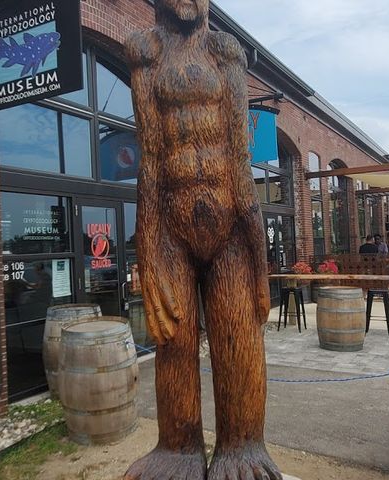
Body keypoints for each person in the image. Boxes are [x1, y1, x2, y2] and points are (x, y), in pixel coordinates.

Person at [125, 1, 280, 478]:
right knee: (173, 340)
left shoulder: (224, 50)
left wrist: (258, 263)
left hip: (230, 225)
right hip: (169, 227)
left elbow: (239, 156)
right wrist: (147, 250)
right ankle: (177, 448)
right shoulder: (146, 53)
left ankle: (242, 446)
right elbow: (150, 160)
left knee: (239, 340)